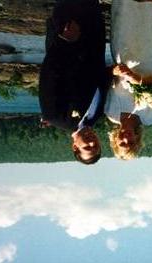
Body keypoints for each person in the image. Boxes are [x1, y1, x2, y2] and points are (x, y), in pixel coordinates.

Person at [39, 0, 108, 165]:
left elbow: (49, 74)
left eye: (88, 147)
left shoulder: (55, 116)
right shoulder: (97, 115)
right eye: (96, 145)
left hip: (68, 33)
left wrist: (65, 41)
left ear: (75, 147)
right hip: (93, 31)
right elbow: (98, 76)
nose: (92, 142)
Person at [105, 0, 152, 160]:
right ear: (137, 141)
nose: (126, 139)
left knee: (127, 6)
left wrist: (115, 70)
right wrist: (136, 79)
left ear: (115, 141)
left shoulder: (110, 112)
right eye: (131, 143)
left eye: (122, 144)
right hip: (149, 53)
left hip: (122, 49)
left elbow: (107, 77)